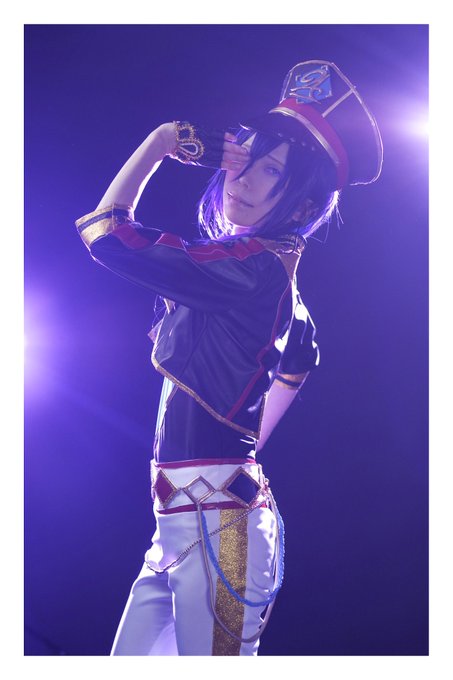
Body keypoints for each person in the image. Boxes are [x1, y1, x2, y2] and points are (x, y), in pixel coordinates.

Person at [75, 60, 383, 656]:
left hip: (223, 528)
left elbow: (107, 233)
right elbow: (300, 359)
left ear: (302, 207)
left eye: (272, 171)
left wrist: (162, 142)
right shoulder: (266, 274)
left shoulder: (250, 270)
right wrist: (239, 453)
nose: (243, 177)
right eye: (250, 156)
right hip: (184, 524)